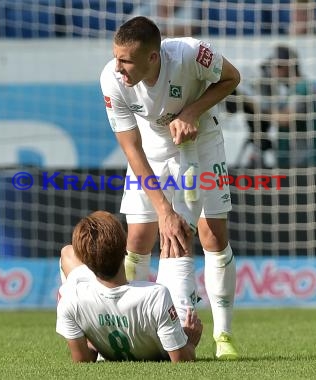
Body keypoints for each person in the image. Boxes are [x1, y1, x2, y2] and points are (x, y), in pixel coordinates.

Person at [100, 16, 241, 360]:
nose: (118, 67)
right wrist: (164, 210)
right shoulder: (111, 79)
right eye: (116, 57)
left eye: (126, 60)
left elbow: (232, 78)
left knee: (212, 235)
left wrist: (192, 112)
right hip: (152, 150)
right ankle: (129, 329)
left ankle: (223, 336)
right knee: (137, 239)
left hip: (202, 141)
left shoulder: (192, 54)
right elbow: (131, 147)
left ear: (153, 57)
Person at [56, 210, 203, 362]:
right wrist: (190, 341)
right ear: (125, 250)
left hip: (100, 328)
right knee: (176, 240)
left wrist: (94, 342)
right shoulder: (157, 295)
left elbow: (82, 361)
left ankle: (100, 337)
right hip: (162, 343)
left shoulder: (69, 299)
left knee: (67, 252)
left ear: (87, 264)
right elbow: (181, 360)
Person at [268, 44, 316, 168]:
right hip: (311, 160)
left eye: (276, 67)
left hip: (312, 162)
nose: (272, 72)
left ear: (286, 67)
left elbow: (287, 119)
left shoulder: (301, 88)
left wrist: (261, 112)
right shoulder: (300, 87)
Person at [225, 59, 280, 168]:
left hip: (263, 127)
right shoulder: (252, 88)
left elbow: (262, 109)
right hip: (255, 127)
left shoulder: (272, 90)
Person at [130, 0, 200, 37]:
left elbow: (190, 29)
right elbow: (132, 26)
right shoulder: (148, 6)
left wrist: (157, 33)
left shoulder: (188, 5)